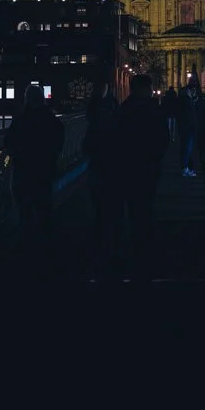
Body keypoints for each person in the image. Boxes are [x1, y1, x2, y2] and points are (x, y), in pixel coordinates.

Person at [106, 73, 169, 285]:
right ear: (144, 89)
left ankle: (123, 254)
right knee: (144, 210)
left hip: (125, 169)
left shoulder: (122, 110)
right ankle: (144, 254)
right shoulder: (153, 110)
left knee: (129, 209)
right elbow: (163, 139)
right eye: (150, 88)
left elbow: (113, 140)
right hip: (147, 168)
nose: (152, 91)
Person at [4, 83, 66, 255]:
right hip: (44, 168)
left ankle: (27, 244)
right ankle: (45, 244)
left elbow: (9, 142)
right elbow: (59, 138)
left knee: (25, 207)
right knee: (44, 204)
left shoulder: (21, 120)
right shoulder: (51, 119)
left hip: (23, 168)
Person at [82, 68, 120, 277]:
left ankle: (101, 241)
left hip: (99, 166)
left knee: (100, 203)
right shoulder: (112, 112)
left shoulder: (95, 118)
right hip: (110, 167)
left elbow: (86, 146)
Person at [176, 76, 201, 177]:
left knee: (187, 148)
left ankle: (186, 167)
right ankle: (185, 168)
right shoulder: (186, 100)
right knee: (187, 148)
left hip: (186, 127)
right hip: (188, 127)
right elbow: (189, 114)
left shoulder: (185, 99)